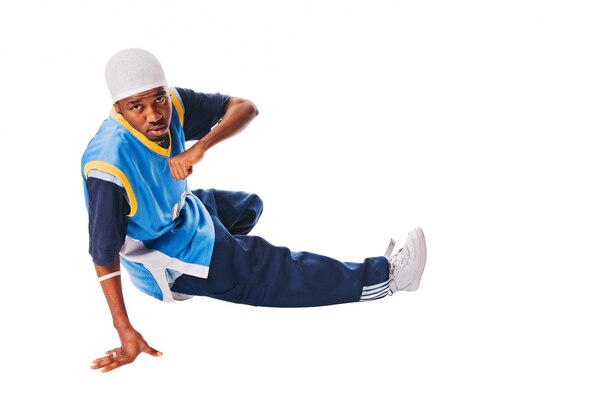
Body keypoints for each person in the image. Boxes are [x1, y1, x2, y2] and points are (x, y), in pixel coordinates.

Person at [82, 48, 427, 373]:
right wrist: (124, 328)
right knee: (270, 267)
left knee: (249, 206)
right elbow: (103, 255)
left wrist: (200, 147)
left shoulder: (173, 103)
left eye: (158, 98)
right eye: (136, 106)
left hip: (183, 212)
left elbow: (245, 107)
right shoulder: (108, 166)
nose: (154, 114)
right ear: (118, 107)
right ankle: (388, 277)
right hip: (164, 255)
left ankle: (228, 268)